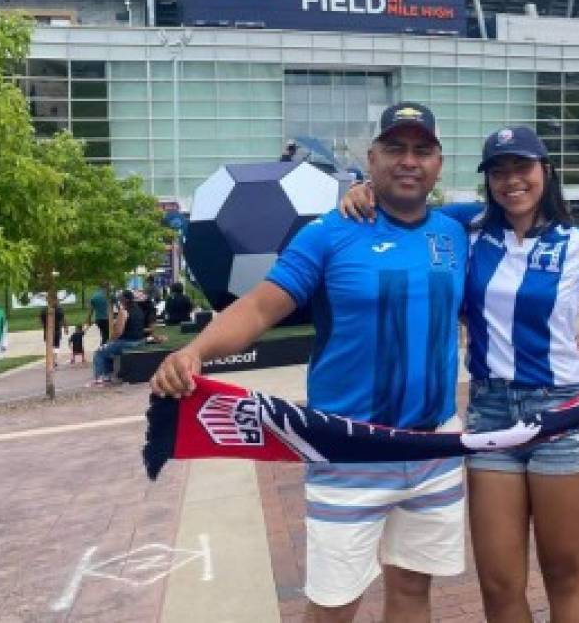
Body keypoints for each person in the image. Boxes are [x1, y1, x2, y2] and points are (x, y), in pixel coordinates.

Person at [338, 124, 579, 622]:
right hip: (491, 417)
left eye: (521, 168)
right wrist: (364, 190)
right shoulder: (466, 227)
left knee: (563, 572)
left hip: (562, 414)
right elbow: (406, 208)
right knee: (500, 582)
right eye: (498, 172)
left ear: (545, 171)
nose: (511, 181)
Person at [153, 102, 469, 621]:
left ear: (439, 162)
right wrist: (194, 351)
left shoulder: (456, 231)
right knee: (333, 605)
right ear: (372, 158)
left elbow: (522, 214)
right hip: (348, 448)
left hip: (434, 446)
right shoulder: (329, 232)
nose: (408, 161)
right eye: (395, 148)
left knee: (413, 593)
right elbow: (258, 305)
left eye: (422, 150)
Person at [89, 289, 146, 385]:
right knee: (109, 350)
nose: (119, 300)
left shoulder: (124, 312)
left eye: (121, 298)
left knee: (100, 352)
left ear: (125, 300)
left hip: (127, 342)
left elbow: (119, 331)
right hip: (139, 341)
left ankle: (100, 377)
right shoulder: (139, 310)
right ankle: (107, 374)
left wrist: (109, 341)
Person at [39, 302, 66, 367]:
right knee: (56, 346)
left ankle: (51, 360)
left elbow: (40, 320)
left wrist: (44, 326)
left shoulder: (44, 310)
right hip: (56, 331)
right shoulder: (59, 310)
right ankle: (54, 360)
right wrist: (66, 327)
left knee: (50, 347)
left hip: (47, 331)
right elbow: (63, 319)